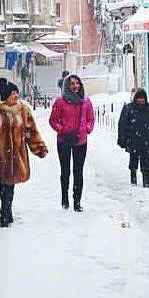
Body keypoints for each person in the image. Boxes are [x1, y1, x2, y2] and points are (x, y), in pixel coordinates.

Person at [0, 77, 48, 227]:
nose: (16, 96)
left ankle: (6, 210)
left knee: (10, 186)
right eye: (13, 93)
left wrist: (39, 148)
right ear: (6, 96)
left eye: (17, 93)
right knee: (4, 185)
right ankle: (5, 212)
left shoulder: (23, 111)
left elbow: (31, 132)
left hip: (16, 157)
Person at [48, 73, 95, 212]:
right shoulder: (60, 102)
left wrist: (87, 129)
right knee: (65, 171)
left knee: (78, 171)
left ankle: (77, 201)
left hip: (81, 141)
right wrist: (62, 130)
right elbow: (53, 120)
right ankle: (65, 198)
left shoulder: (86, 101)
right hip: (64, 140)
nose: (75, 86)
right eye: (72, 84)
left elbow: (91, 119)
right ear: (67, 86)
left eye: (77, 83)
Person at [117, 88, 149, 187]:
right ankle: (133, 178)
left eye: (143, 98)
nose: (141, 100)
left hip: (147, 139)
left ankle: (146, 180)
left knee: (146, 160)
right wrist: (122, 139)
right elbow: (122, 124)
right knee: (133, 159)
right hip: (133, 139)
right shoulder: (129, 108)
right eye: (139, 98)